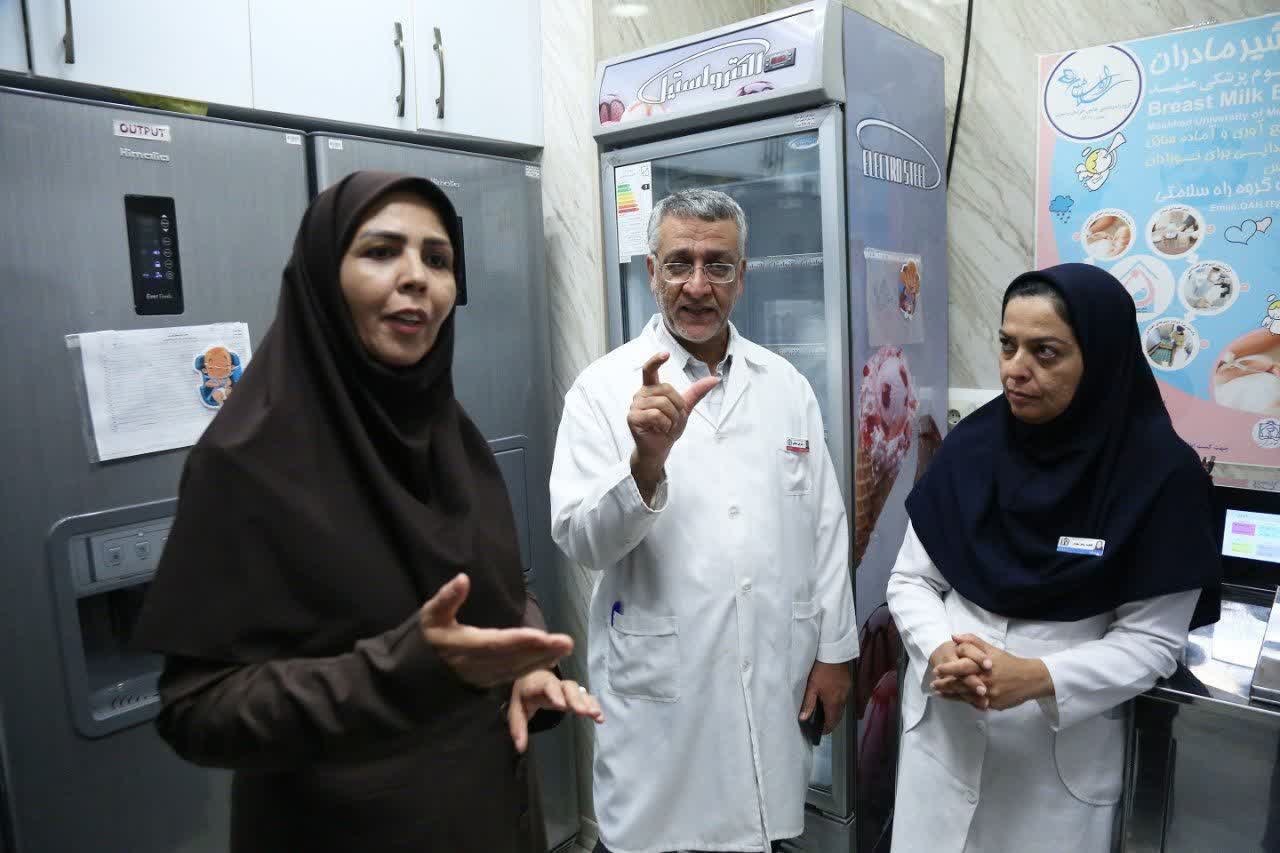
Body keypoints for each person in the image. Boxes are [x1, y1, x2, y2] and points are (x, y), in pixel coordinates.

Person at [134, 171, 603, 853]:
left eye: (437, 259)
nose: (417, 277)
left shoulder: (450, 437)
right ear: (323, 278)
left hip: (494, 813)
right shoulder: (247, 462)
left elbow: (489, 590)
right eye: (382, 251)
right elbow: (196, 710)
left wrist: (522, 662)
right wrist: (407, 668)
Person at [549, 188, 858, 853]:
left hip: (772, 672)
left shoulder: (785, 385)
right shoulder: (603, 390)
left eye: (717, 264)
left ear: (742, 276)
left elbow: (825, 527)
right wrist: (645, 464)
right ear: (652, 271)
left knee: (758, 829)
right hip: (661, 693)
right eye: (679, 263)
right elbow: (581, 540)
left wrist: (836, 652)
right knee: (654, 837)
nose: (697, 285)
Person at [888, 263, 1221, 853]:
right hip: (944, 736)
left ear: (1101, 357)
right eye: (1007, 345)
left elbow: (1152, 642)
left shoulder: (1161, 477)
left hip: (1056, 772)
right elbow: (912, 579)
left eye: (1046, 352)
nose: (1016, 369)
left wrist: (1038, 678)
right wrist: (940, 649)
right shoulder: (973, 447)